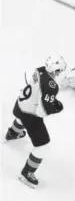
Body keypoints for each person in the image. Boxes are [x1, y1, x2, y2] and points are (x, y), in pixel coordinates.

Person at [5, 55, 67, 188]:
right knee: (43, 146)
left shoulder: (39, 70)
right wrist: (55, 107)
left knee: (21, 117)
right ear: (57, 71)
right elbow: (42, 111)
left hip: (20, 104)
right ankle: (27, 173)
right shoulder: (52, 86)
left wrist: (49, 98)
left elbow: (34, 85)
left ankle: (13, 133)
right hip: (29, 115)